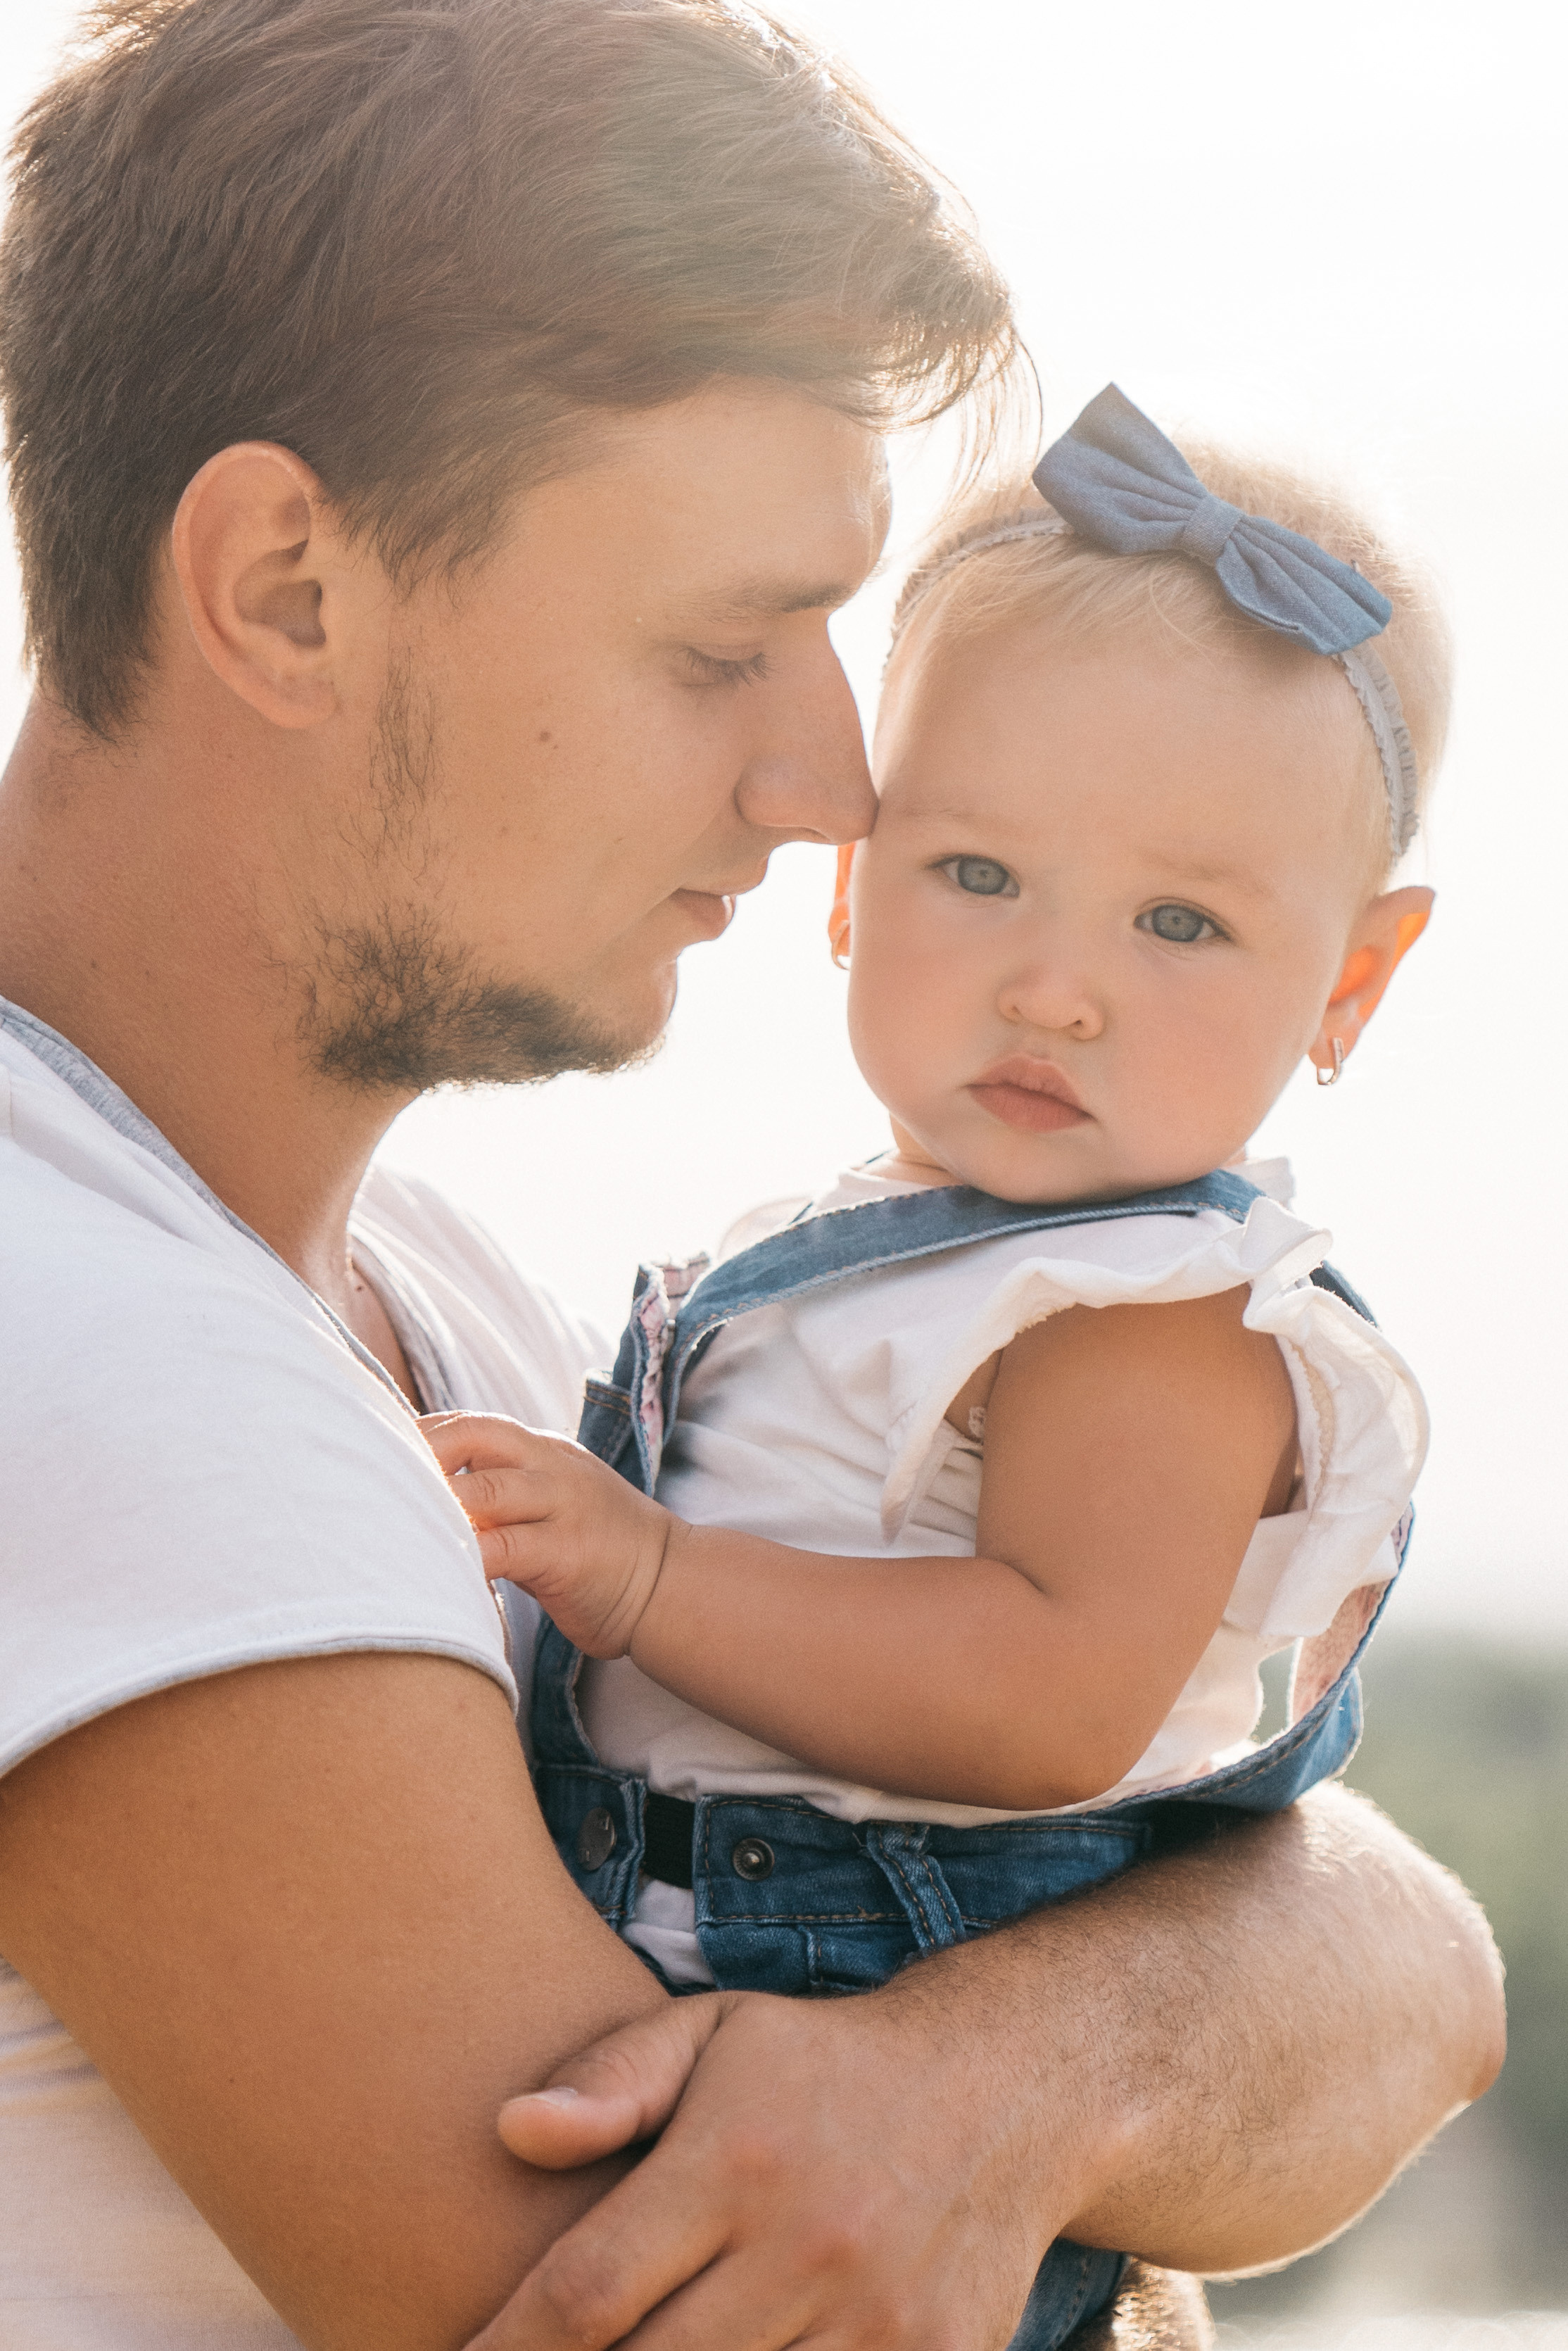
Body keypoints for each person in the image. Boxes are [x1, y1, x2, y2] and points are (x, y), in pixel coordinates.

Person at [0, 2, 1500, 2347]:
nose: (833, 782)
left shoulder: (447, 1299)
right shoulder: (69, 1345)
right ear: (287, 587)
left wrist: (998, 2082)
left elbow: (1423, 1974)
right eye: (726, 645)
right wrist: (1091, 2131)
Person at [422, 390, 1444, 2349]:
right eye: (976, 874)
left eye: (1178, 921)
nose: (1057, 982)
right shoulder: (899, 1250)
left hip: (858, 1991)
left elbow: (1051, 1694)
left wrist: (647, 1577)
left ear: (1349, 982)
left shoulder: (1145, 1312)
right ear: (846, 879)